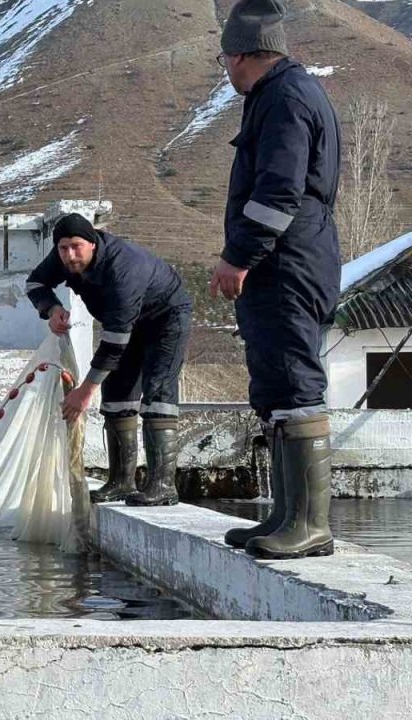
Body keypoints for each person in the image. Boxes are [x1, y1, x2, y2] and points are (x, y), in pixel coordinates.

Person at [210, 0, 342, 559]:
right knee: (276, 385)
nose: (226, 72)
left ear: (242, 55)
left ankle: (310, 525)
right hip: (283, 262)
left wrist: (238, 257)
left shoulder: (285, 99)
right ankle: (288, 516)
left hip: (286, 263)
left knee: (294, 380)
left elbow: (278, 192)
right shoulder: (284, 93)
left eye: (225, 62)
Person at [27, 213, 192, 506]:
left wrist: (84, 392)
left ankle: (163, 485)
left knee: (157, 396)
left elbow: (114, 344)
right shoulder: (62, 258)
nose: (70, 255)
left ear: (92, 243)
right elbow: (35, 283)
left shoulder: (123, 269)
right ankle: (121, 482)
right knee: (116, 398)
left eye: (77, 246)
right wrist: (52, 309)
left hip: (165, 320)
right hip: (124, 325)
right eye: (63, 248)